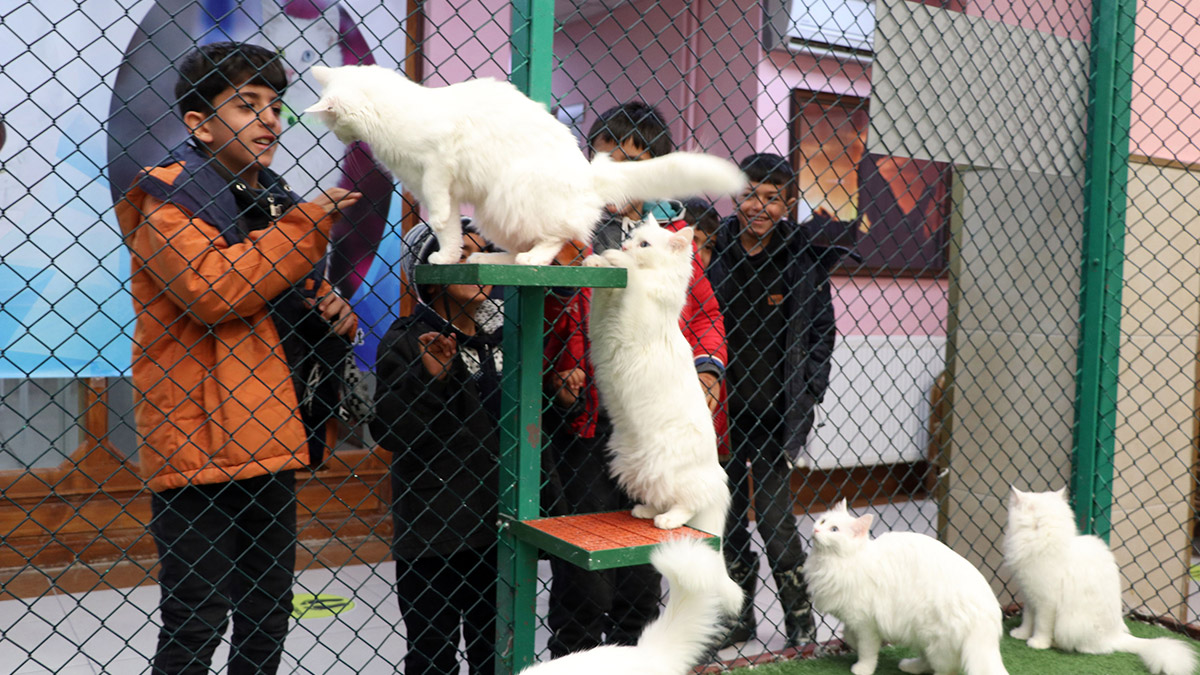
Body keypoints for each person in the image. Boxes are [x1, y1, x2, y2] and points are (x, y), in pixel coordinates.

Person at [115, 41, 360, 674]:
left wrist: (331, 310)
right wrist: (304, 227)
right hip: (199, 441)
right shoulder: (167, 197)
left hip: (271, 431)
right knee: (196, 619)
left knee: (268, 613)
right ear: (199, 124)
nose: (269, 121)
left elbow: (289, 292)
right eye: (247, 105)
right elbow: (214, 290)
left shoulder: (277, 199)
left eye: (276, 106)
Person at [542, 101, 727, 657]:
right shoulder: (567, 228)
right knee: (586, 572)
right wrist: (558, 365)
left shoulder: (670, 236)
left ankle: (638, 658)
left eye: (634, 162)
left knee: (643, 574)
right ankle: (575, 660)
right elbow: (546, 310)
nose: (618, 173)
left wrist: (707, 370)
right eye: (607, 158)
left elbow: (705, 316)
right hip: (585, 420)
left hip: (652, 420)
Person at [706, 153, 851, 650]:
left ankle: (800, 622)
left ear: (788, 205)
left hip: (775, 416)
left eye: (772, 198)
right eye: (750, 194)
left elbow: (821, 331)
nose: (759, 206)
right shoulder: (713, 250)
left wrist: (810, 389)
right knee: (724, 518)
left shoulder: (802, 259)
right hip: (720, 413)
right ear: (735, 196)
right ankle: (737, 617)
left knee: (773, 519)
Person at [371, 220, 501, 675]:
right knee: (431, 652)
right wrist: (429, 378)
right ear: (428, 275)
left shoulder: (506, 337)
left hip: (498, 522)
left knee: (495, 649)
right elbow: (390, 430)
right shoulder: (406, 340)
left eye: (483, 253)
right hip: (433, 532)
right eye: (462, 255)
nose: (478, 264)